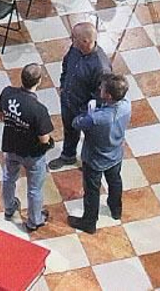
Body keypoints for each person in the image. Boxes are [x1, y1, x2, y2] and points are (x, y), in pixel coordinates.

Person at [68, 73, 131, 234]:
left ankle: (89, 222)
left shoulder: (98, 118)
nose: (99, 89)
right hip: (115, 154)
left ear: (108, 95)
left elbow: (76, 123)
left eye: (102, 88)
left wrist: (90, 112)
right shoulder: (126, 105)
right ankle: (116, 209)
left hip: (95, 158)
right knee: (115, 181)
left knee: (92, 190)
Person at [0, 63, 55, 231]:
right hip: (32, 154)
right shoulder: (38, 110)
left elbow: (0, 114)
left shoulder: (7, 93)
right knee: (34, 189)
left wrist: (15, 124)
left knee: (9, 177)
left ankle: (9, 208)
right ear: (39, 81)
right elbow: (44, 139)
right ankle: (34, 220)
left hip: (11, 145)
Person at [53, 23, 108, 169]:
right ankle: (68, 156)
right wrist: (63, 85)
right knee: (69, 129)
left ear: (85, 41)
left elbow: (101, 96)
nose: (71, 40)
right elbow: (66, 64)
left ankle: (90, 164)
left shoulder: (100, 66)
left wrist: (86, 112)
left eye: (74, 38)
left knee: (91, 138)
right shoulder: (75, 49)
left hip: (84, 109)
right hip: (68, 101)